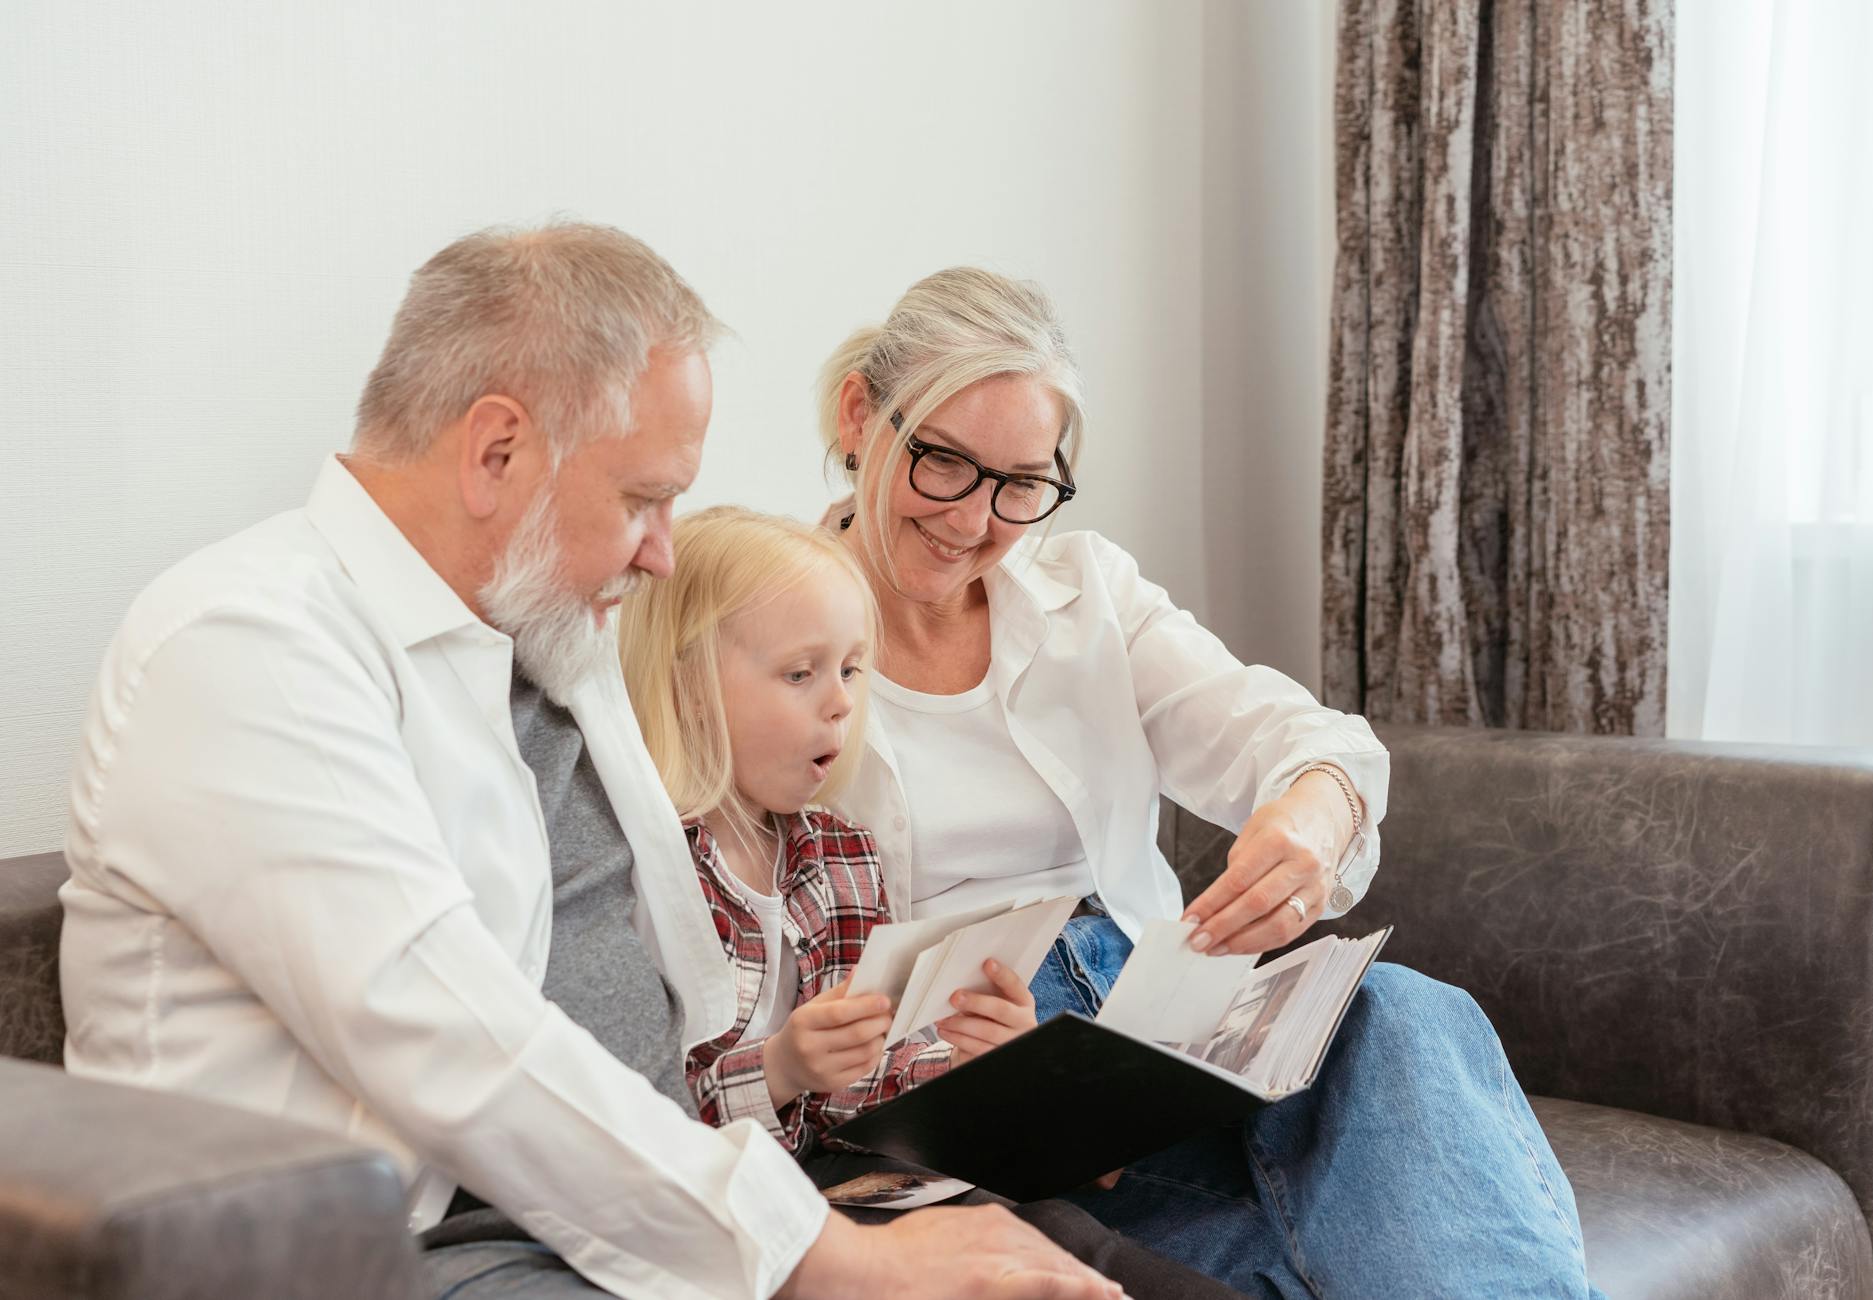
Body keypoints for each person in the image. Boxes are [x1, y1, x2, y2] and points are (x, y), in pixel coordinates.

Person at [58, 223, 1127, 1300]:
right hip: (371, 1253)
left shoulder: (543, 648)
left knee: (1066, 1267)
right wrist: (827, 1257)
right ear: (497, 452)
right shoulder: (249, 645)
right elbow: (455, 1044)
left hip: (587, 1216)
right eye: (641, 500)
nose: (663, 551)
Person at [814, 267, 1605, 1299]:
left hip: (1158, 1030)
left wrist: (1313, 816)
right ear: (859, 415)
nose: (976, 519)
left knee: (1403, 1014)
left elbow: (1298, 737)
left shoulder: (1086, 591)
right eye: (945, 463)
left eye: (1022, 484)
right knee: (1349, 1242)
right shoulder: (760, 628)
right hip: (971, 1078)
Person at [619, 506, 1246, 1299]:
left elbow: (869, 1081)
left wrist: (968, 1060)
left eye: (852, 671)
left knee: (1065, 1240)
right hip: (737, 1206)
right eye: (800, 673)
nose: (840, 704)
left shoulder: (841, 854)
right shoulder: (644, 873)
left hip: (862, 1173)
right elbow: (629, 1115)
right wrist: (779, 1070)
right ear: (688, 684)